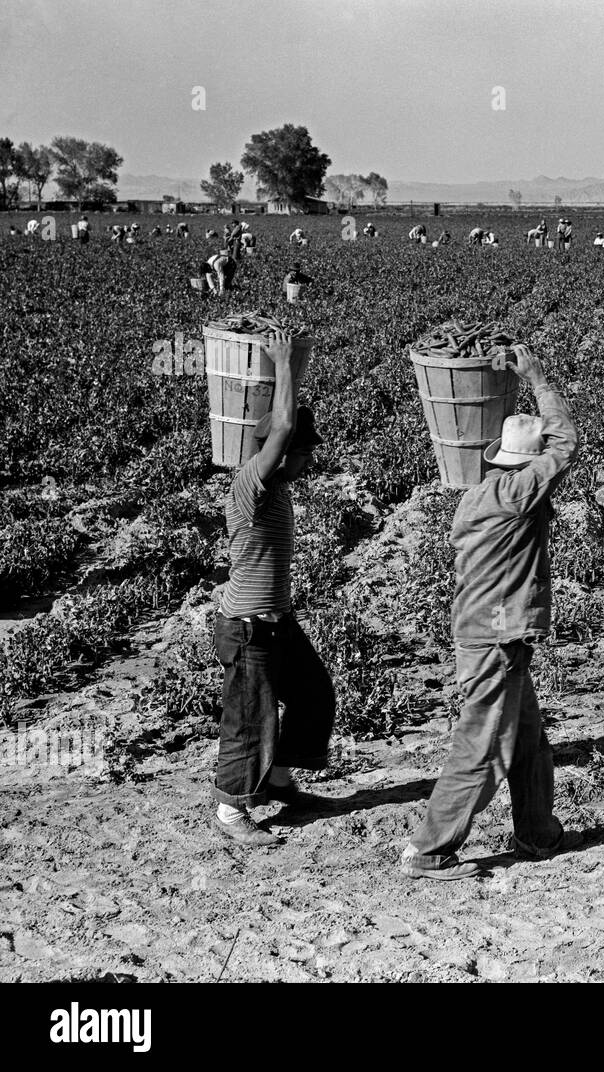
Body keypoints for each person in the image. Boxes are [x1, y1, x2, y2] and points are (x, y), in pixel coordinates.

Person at [400, 345, 583, 880]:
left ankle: (536, 831)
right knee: (482, 747)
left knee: (527, 739)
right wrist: (538, 378)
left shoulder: (479, 494)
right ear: (526, 468)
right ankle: (430, 850)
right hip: (495, 636)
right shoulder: (517, 494)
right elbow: (566, 445)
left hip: (489, 630)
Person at [212, 331, 335, 846]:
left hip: (277, 620)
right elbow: (282, 426)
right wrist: (283, 363)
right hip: (246, 627)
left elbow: (286, 423)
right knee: (249, 719)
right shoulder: (251, 484)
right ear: (278, 453)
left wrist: (292, 376)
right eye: (303, 453)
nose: (309, 461)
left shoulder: (280, 487)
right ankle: (230, 810)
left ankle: (282, 780)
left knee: (314, 695)